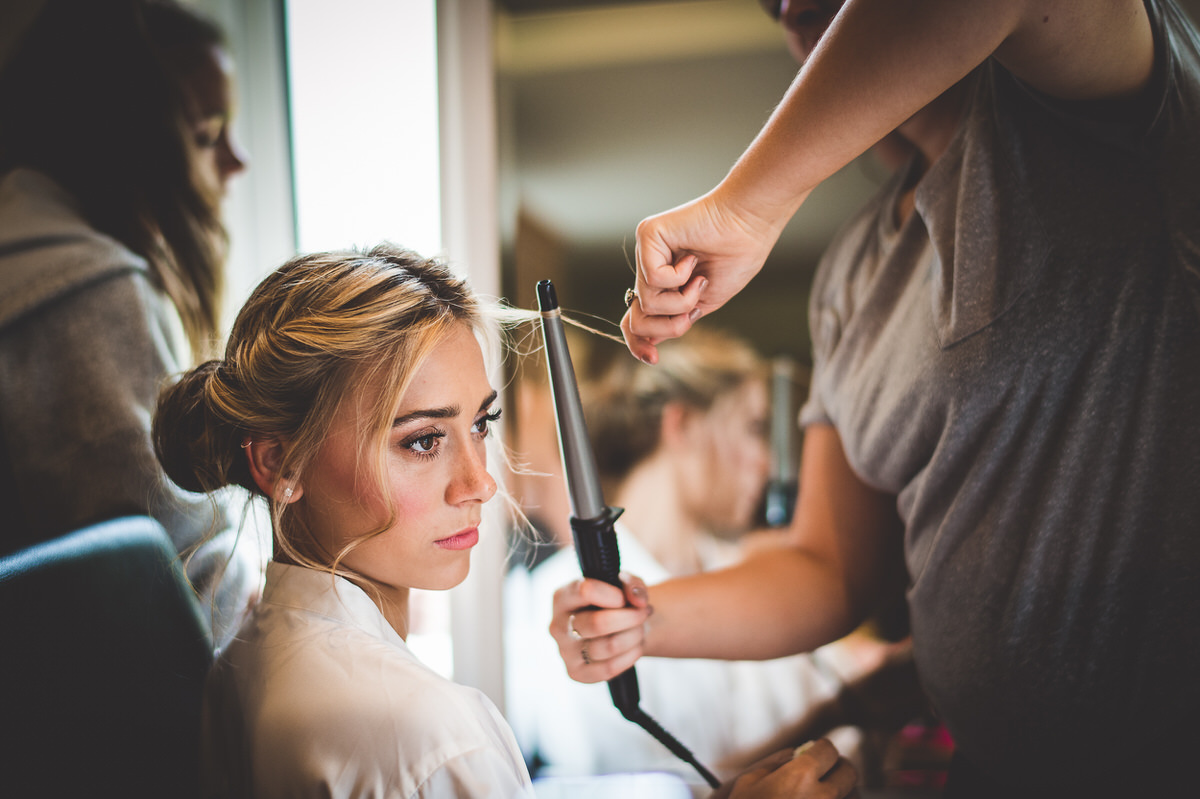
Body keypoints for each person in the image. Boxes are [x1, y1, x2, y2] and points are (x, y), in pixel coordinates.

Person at [551, 0, 1200, 796]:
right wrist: (645, 621)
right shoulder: (855, 269)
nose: (792, 9)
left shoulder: (1100, 118)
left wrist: (747, 202)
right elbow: (831, 566)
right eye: (774, 2)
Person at [153, 244, 860, 799]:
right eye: (423, 440)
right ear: (280, 463)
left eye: (481, 424)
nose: (481, 482)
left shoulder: (244, 663)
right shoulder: (430, 735)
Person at [507, 327, 880, 790]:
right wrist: (844, 711)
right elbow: (648, 785)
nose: (764, 463)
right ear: (680, 424)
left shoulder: (755, 579)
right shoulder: (565, 607)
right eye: (753, 428)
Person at [0, 0, 255, 644]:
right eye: (205, 135)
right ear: (124, 148)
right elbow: (178, 578)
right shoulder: (84, 294)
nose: (237, 159)